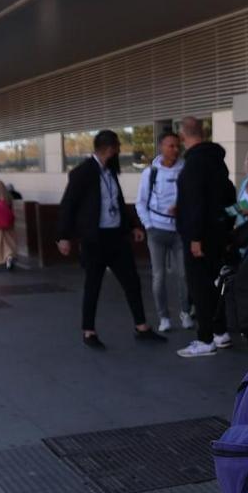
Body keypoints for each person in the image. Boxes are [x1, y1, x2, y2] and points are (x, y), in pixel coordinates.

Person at [56, 130, 163, 349]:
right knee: (93, 285)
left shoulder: (111, 173)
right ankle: (89, 331)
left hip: (116, 237)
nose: (118, 152)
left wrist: (133, 226)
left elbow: (118, 202)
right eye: (117, 148)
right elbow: (68, 205)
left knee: (132, 282)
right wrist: (63, 237)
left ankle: (141, 327)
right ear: (109, 149)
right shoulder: (82, 173)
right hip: (94, 240)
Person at [173, 116, 236, 358]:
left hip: (200, 236)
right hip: (218, 233)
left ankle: (205, 339)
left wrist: (196, 237)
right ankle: (220, 333)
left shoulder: (194, 164)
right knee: (214, 285)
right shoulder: (216, 161)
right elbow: (227, 195)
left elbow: (196, 202)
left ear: (182, 136)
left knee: (199, 288)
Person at [136, 130, 187, 331]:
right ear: (161, 147)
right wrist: (149, 225)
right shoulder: (151, 172)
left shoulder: (185, 170)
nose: (175, 150)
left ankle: (185, 312)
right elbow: (141, 202)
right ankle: (163, 317)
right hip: (157, 230)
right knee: (159, 276)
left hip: (180, 231)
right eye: (170, 146)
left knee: (183, 275)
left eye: (177, 146)